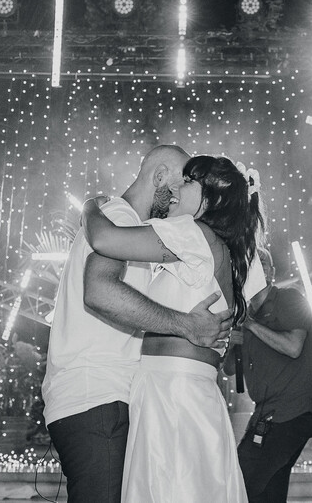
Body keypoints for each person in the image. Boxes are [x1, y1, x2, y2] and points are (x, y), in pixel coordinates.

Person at [41, 145, 233, 503]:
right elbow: (99, 292)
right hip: (99, 396)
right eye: (177, 183)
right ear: (159, 177)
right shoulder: (122, 219)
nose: (176, 194)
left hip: (101, 398)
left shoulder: (129, 224)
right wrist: (186, 325)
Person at [82, 154, 266, 503]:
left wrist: (90, 208)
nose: (176, 188)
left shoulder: (196, 233)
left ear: (212, 197)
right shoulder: (213, 244)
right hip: (175, 391)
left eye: (189, 181)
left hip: (174, 395)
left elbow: (104, 239)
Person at [224, 247, 312, 503]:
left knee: (242, 483)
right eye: (249, 263)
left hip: (290, 415)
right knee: (269, 493)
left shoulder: (289, 298)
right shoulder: (245, 315)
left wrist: (250, 325)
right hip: (265, 415)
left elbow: (293, 347)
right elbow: (230, 369)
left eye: (262, 263)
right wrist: (232, 340)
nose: (255, 267)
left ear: (272, 272)